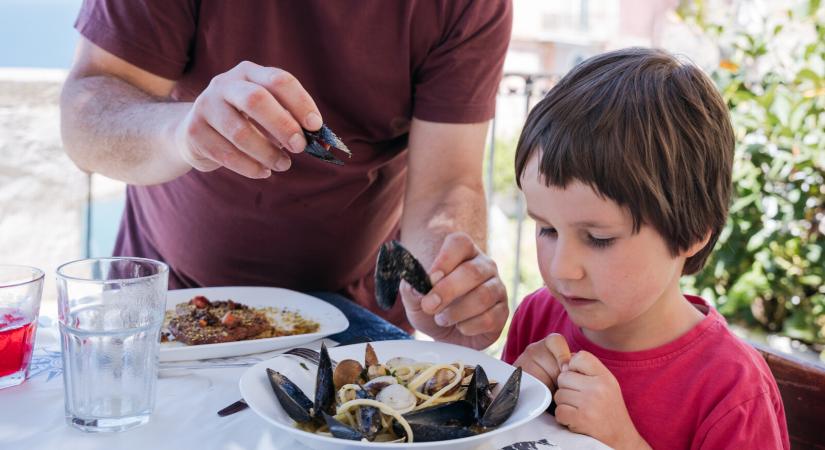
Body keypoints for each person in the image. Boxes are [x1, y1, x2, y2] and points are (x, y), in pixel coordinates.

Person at [60, 1, 512, 349]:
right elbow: (84, 118)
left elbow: (447, 181)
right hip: (165, 307)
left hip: (353, 326)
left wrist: (444, 286)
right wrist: (184, 133)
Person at [502, 48, 789, 449]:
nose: (562, 268)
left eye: (599, 238)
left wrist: (623, 441)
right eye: (547, 229)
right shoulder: (537, 317)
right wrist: (509, 403)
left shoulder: (732, 389)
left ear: (691, 233)